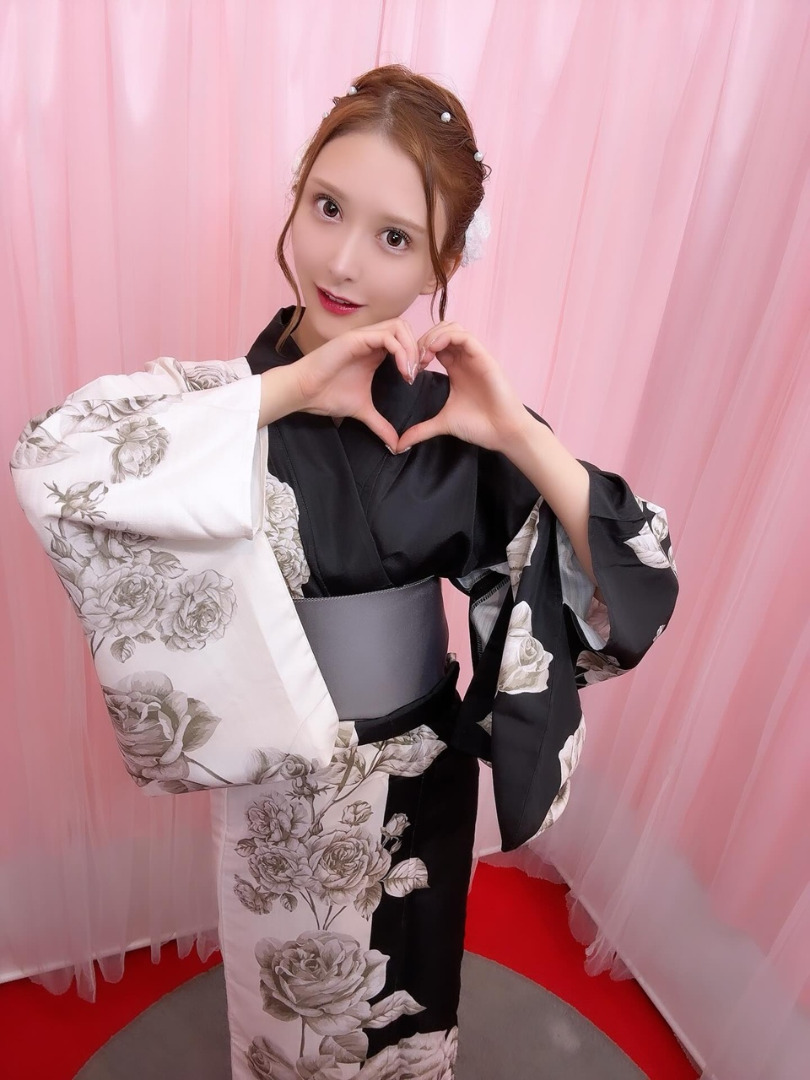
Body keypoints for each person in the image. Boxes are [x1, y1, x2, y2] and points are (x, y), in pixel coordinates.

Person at [10, 64, 678, 1080]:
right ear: (296, 198)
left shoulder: (458, 427)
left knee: (410, 1006)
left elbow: (634, 581)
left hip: (420, 774)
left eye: (395, 237)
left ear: (445, 260)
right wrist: (279, 396)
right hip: (285, 786)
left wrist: (518, 435)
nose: (344, 260)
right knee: (288, 1017)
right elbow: (52, 458)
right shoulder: (227, 406)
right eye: (327, 207)